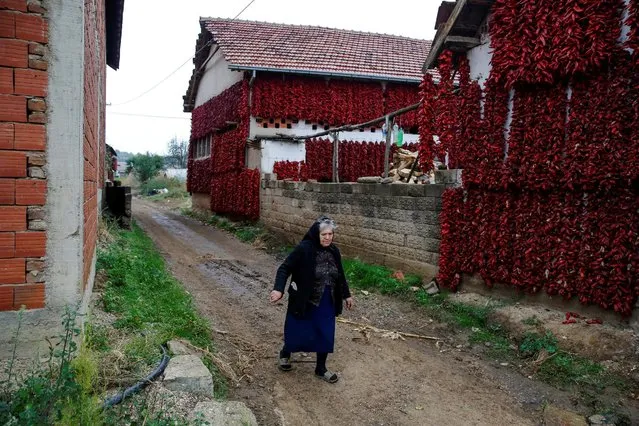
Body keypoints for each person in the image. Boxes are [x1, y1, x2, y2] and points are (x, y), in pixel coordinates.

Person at [269, 216, 354, 383]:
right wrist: (278, 289)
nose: (328, 237)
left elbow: (340, 275)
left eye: (330, 234)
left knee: (325, 332)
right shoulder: (304, 249)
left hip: (327, 300)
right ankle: (285, 353)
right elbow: (285, 268)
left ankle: (320, 369)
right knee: (297, 329)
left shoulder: (334, 251)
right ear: (316, 234)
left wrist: (346, 294)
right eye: (324, 234)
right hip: (304, 299)